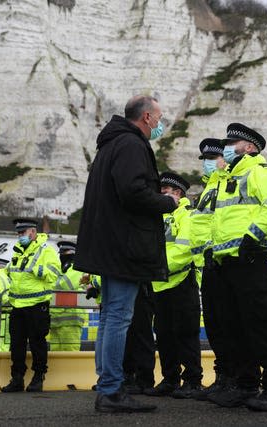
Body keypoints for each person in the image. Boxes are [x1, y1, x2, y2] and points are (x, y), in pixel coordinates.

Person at [74, 95, 178, 413]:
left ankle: (108, 384)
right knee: (119, 316)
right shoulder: (131, 145)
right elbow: (133, 192)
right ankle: (111, 390)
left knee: (109, 317)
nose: (160, 124)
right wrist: (167, 202)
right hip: (125, 245)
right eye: (158, 118)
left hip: (109, 243)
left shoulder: (111, 144)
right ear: (146, 117)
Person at [206, 123, 267, 411]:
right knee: (235, 328)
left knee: (260, 327)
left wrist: (251, 237)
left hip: (252, 258)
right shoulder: (225, 179)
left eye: (232, 141)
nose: (227, 146)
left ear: (250, 147)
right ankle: (246, 386)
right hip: (226, 263)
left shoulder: (261, 172)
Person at [145, 172, 203, 399]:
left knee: (186, 333)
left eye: (163, 191)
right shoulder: (157, 217)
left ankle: (192, 380)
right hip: (160, 283)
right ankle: (170, 379)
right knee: (164, 333)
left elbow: (185, 248)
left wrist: (159, 267)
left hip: (181, 281)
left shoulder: (186, 215)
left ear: (177, 193)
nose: (159, 196)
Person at [189, 138, 233, 401]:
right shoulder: (207, 189)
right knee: (215, 325)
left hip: (223, 261)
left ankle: (235, 379)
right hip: (208, 265)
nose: (206, 163)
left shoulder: (227, 185)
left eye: (211, 158)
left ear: (223, 159)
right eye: (204, 159)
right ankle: (222, 377)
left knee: (228, 324)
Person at [1, 218, 60, 393]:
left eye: (23, 233)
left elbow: (54, 274)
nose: (20, 236)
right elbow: (9, 273)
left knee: (37, 342)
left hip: (37, 305)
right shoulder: (17, 253)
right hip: (17, 305)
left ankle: (38, 376)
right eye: (18, 233)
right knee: (17, 344)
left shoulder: (46, 251)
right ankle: (17, 378)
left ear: (33, 232)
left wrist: (37, 269)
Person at [47, 241, 89, 351]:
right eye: (61, 253)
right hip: (56, 320)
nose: (62, 256)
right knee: (55, 356)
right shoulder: (61, 268)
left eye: (65, 253)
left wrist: (48, 285)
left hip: (71, 320)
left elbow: (63, 284)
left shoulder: (77, 268)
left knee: (70, 352)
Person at [122, 282, 156, 395]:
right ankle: (130, 375)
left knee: (141, 332)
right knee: (130, 334)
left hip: (142, 285)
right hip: (134, 284)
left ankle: (144, 379)